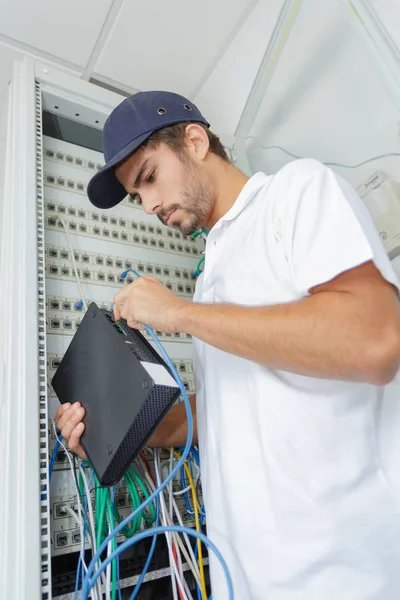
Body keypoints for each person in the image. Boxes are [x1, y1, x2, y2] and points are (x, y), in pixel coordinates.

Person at [55, 91, 400, 600]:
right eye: (136, 195)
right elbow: (219, 412)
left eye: (148, 177)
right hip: (247, 581)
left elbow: (375, 339)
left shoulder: (295, 193)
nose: (148, 205)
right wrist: (107, 430)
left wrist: (178, 314)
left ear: (194, 142)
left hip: (345, 574)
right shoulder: (212, 273)